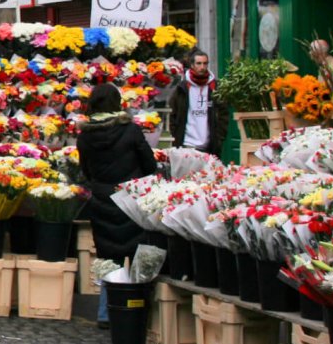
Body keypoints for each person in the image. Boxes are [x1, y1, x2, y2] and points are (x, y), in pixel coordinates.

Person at [77, 82, 160, 326]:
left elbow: (86, 171)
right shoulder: (130, 131)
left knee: (106, 255)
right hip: (130, 198)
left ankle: (105, 311)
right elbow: (150, 165)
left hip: (102, 199)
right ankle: (135, 307)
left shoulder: (85, 136)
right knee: (136, 251)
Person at [169, 49, 227, 156]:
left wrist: (219, 138)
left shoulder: (215, 86)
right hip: (186, 144)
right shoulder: (182, 87)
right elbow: (173, 114)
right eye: (199, 63)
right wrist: (177, 135)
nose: (202, 67)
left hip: (209, 145)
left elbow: (223, 113)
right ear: (192, 65)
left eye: (205, 63)